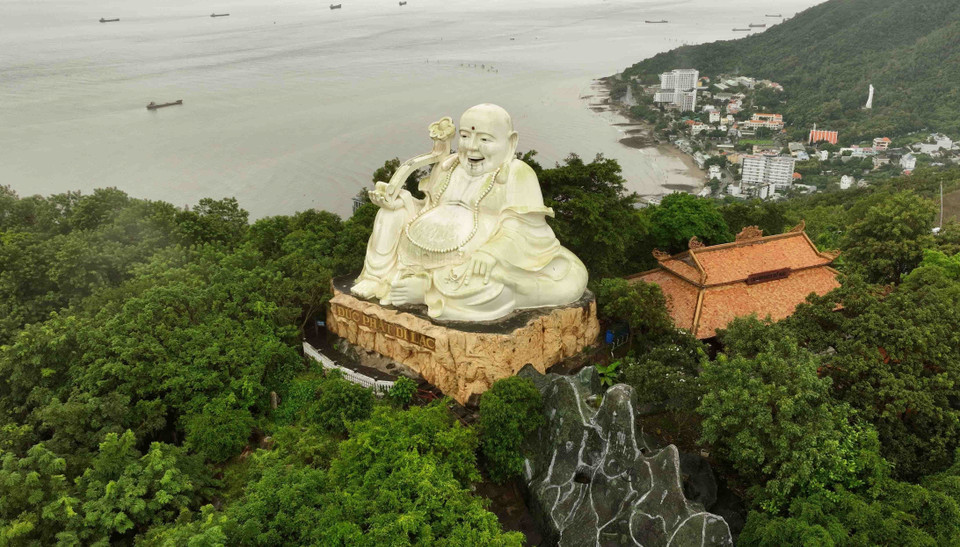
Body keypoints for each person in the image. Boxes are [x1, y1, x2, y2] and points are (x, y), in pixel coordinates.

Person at [351, 104, 588, 321]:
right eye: (465, 136)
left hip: (473, 260)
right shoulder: (449, 167)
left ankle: (427, 291)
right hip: (417, 247)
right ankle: (377, 278)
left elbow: (523, 228)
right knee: (388, 215)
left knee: (491, 287)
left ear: (511, 142)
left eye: (485, 139)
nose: (471, 146)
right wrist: (400, 202)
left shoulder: (517, 174)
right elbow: (428, 206)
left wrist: (491, 253)